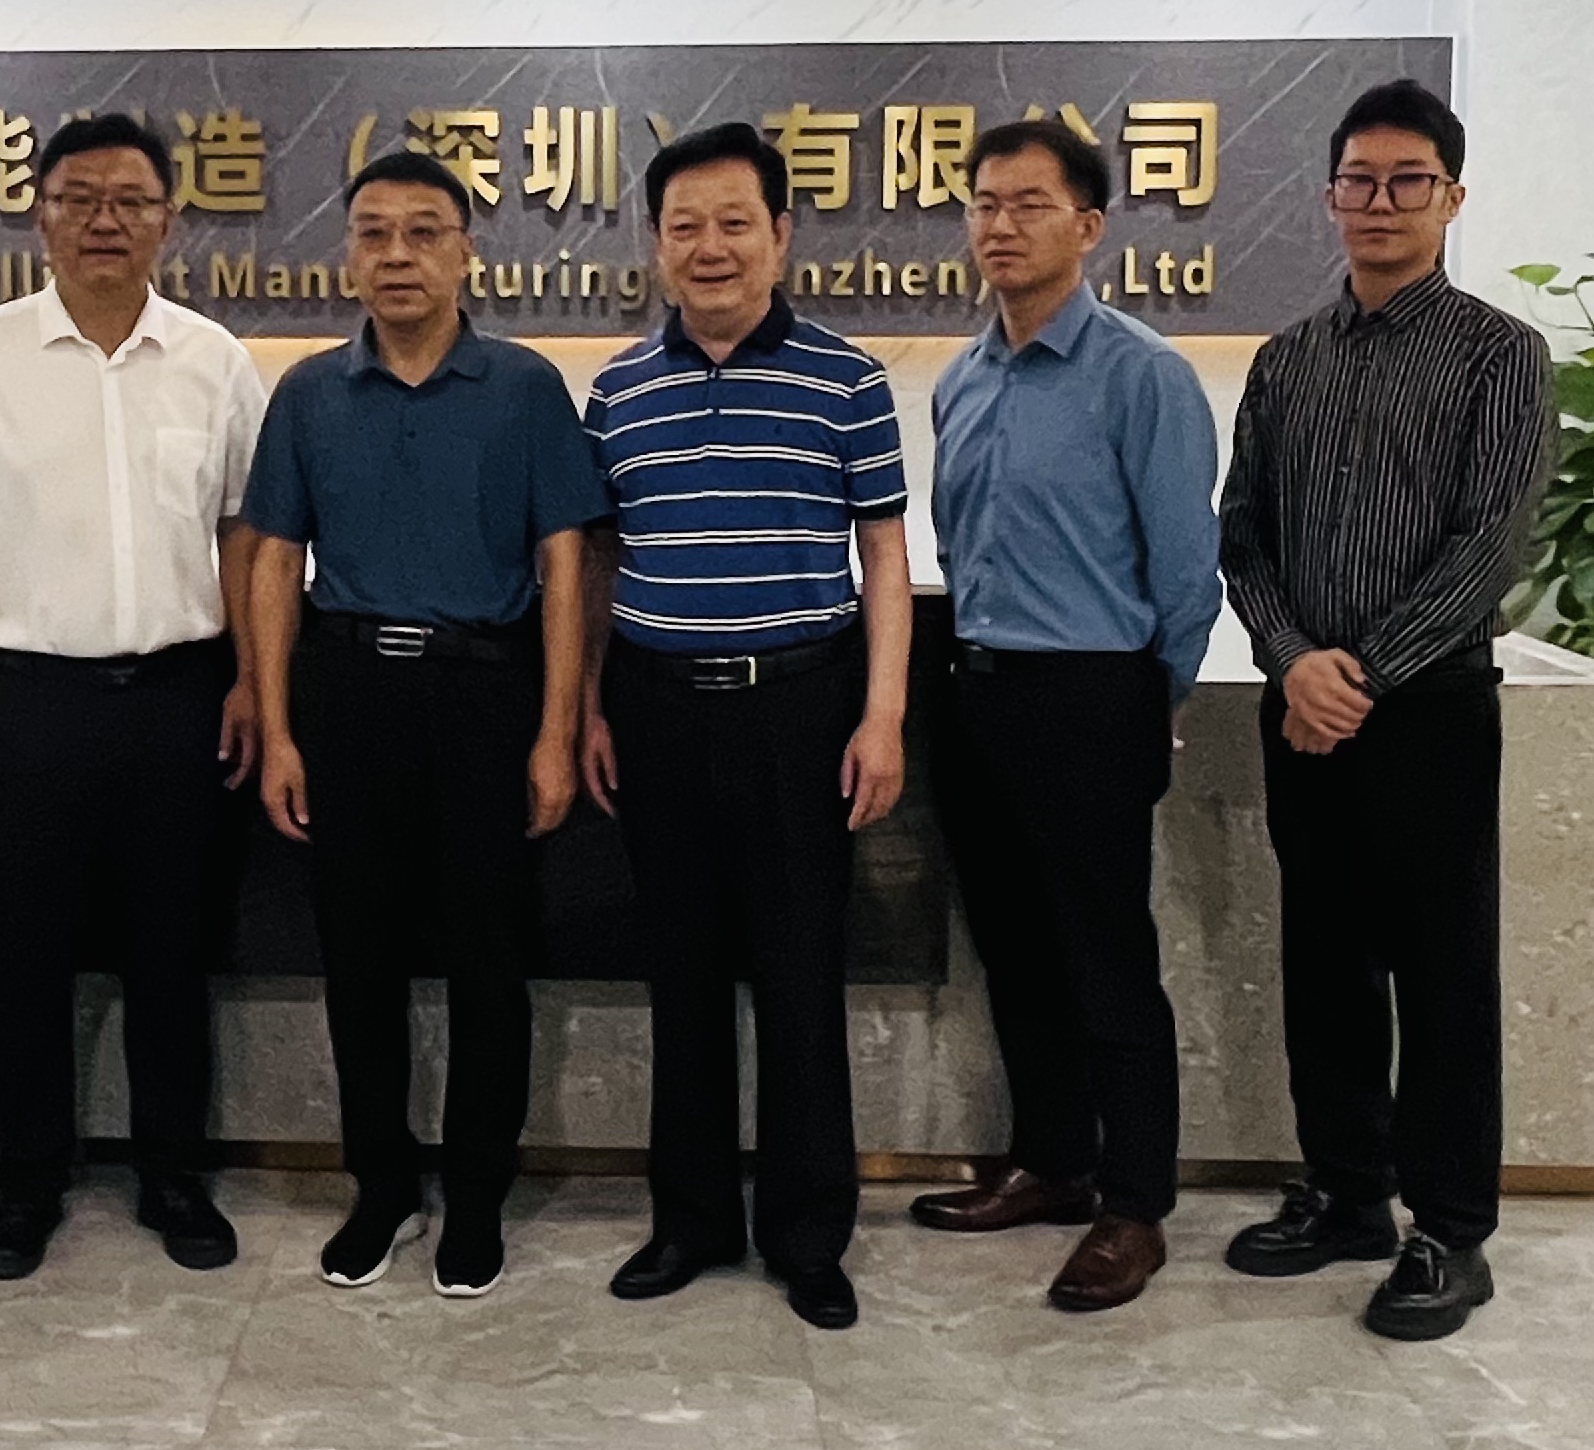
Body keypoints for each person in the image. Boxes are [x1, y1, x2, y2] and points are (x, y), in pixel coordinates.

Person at [0, 113, 266, 1282]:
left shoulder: (213, 360)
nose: (106, 220)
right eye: (80, 198)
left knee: (172, 955)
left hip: (177, 696)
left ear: (168, 221)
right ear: (40, 215)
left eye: (130, 201)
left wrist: (254, 679)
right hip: (19, 701)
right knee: (23, 960)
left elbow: (246, 535)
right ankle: (25, 1183)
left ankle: (172, 1175)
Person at [1218, 78, 1554, 1341]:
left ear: (1449, 197)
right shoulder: (1285, 359)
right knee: (1324, 962)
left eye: (1406, 179)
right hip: (1303, 709)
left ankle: (1449, 1232)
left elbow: (1488, 544)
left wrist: (1354, 675)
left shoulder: (1497, 354)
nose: (1378, 201)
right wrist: (1290, 658)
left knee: (1442, 973)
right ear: (1327, 196)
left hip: (1426, 713)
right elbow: (1240, 534)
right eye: (1356, 179)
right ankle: (1346, 1192)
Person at [243, 150, 607, 1298]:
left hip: (483, 694)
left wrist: (554, 728)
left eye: (422, 231)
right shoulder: (307, 393)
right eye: (372, 232)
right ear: (347, 255)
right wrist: (278, 728)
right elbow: (272, 562)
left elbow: (565, 562)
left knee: (487, 960)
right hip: (347, 692)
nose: (395, 254)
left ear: (465, 252)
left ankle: (478, 1195)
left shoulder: (524, 387)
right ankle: (382, 1186)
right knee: (357, 959)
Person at [578, 122, 911, 1332]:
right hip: (656, 707)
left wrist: (882, 715)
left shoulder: (846, 378)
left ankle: (807, 1233)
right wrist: (587, 706)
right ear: (655, 243)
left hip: (799, 707)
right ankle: (690, 1220)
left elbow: (883, 555)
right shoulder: (615, 390)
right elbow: (599, 559)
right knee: (679, 976)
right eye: (684, 226)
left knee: (797, 975)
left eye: (733, 223)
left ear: (779, 234)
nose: (708, 247)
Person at [915, 119, 1221, 1314]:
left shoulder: (1140, 374)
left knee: (1105, 960)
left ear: (1086, 227)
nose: (998, 225)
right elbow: (961, 544)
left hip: (1091, 696)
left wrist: (1150, 698)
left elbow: (1184, 569)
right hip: (977, 690)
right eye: (983, 204)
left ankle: (1132, 1206)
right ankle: (1050, 1162)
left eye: (1027, 204)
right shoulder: (961, 377)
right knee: (1014, 950)